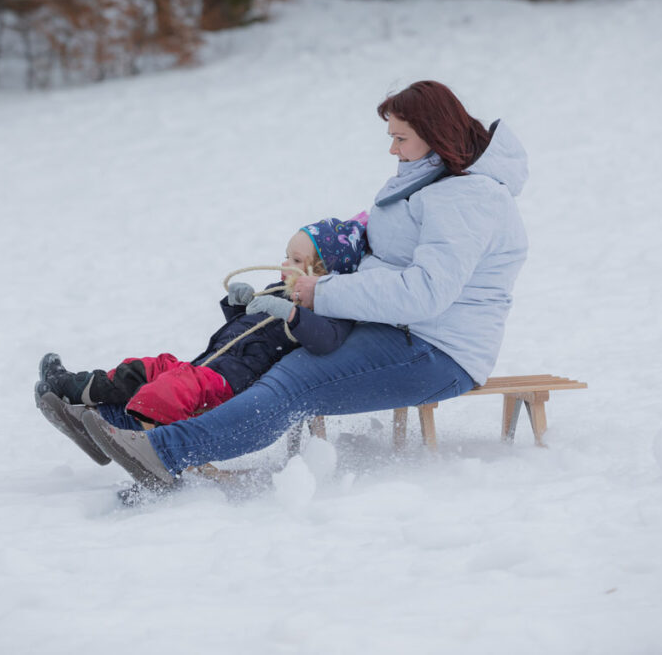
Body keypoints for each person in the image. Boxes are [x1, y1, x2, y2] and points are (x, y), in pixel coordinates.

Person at [65, 80, 529, 490]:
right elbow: (381, 247)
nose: (392, 149)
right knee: (264, 350)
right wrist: (316, 253)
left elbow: (426, 293)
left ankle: (166, 452)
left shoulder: (469, 197)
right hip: (395, 328)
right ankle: (125, 425)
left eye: (400, 138)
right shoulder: (432, 180)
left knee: (293, 384)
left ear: (434, 133)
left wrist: (322, 293)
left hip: (437, 350)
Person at [34, 217, 367, 467]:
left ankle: (113, 426)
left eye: (296, 261)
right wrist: (238, 307)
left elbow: (326, 340)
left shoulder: (327, 310)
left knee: (170, 391)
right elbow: (245, 335)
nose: (284, 265)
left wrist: (291, 313)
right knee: (148, 368)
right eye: (286, 256)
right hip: (210, 365)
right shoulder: (279, 290)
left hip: (230, 383)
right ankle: (73, 390)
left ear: (323, 272)